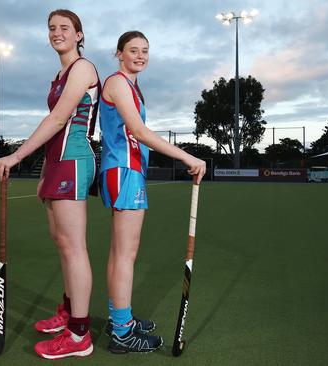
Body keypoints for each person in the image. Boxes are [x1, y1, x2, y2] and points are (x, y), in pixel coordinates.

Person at [0, 9, 100, 360]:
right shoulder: (59, 73)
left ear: (79, 35)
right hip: (55, 164)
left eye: (64, 28)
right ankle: (69, 311)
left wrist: (16, 156)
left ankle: (79, 334)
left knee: (73, 247)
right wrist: (42, 169)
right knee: (61, 243)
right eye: (52, 28)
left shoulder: (82, 68)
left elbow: (57, 119)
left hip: (73, 160)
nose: (57, 33)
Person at [98, 31, 206, 354]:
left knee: (120, 253)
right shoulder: (117, 82)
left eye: (145, 51)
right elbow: (140, 132)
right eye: (133, 50)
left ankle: (121, 317)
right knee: (126, 255)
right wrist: (187, 156)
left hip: (126, 172)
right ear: (119, 53)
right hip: (124, 172)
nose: (141, 55)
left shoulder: (131, 86)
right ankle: (121, 332)